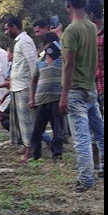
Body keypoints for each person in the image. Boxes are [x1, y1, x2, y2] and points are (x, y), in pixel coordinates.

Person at [60, 0, 104, 193]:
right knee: (100, 131)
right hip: (91, 89)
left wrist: (63, 96)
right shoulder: (92, 27)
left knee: (82, 137)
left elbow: (69, 64)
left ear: (68, 4)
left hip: (76, 91)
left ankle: (86, 179)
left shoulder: (71, 31)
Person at [4, 15, 38, 160]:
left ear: (13, 27)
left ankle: (30, 151)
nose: (6, 32)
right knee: (20, 122)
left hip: (24, 87)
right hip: (17, 88)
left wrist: (32, 91)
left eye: (7, 28)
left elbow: (33, 66)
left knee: (26, 122)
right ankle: (26, 146)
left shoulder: (24, 41)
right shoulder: (19, 42)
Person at [29, 34, 65, 163]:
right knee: (37, 130)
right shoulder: (39, 62)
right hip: (41, 100)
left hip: (57, 100)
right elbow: (33, 81)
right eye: (47, 45)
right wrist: (31, 99)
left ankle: (57, 155)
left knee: (58, 130)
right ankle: (36, 155)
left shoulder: (63, 60)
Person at [86, 0, 104, 173]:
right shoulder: (90, 34)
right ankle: (97, 164)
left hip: (103, 86)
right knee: (95, 127)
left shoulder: (101, 34)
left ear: (92, 14)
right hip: (94, 87)